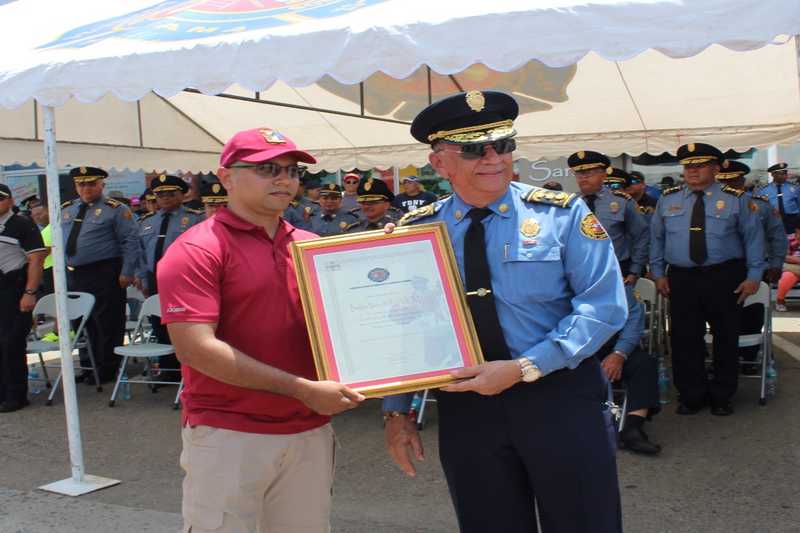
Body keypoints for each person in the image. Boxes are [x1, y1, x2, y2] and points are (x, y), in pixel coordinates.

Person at [382, 91, 627, 533]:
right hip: (467, 407)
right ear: (439, 163)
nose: (494, 158)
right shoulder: (416, 232)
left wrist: (525, 367)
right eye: (474, 150)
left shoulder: (562, 215)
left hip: (559, 395)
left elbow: (603, 307)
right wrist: (398, 411)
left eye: (503, 145)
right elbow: (403, 325)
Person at [158, 126, 364, 533]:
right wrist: (302, 389)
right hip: (230, 433)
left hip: (308, 429)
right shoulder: (197, 249)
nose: (284, 179)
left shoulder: (312, 246)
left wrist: (393, 261)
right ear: (226, 177)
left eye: (292, 170)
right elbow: (195, 349)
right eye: (267, 169)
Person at [650, 143, 765, 416]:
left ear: (715, 168)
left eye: (700, 165)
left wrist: (754, 276)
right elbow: (657, 238)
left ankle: (722, 395)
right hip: (682, 278)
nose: (692, 171)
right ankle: (691, 395)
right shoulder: (667, 199)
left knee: (725, 336)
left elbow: (753, 239)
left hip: (724, 276)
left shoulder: (736, 199)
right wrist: (657, 273)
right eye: (688, 166)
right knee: (684, 338)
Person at [61, 166, 140, 385]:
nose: (85, 188)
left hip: (104, 270)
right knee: (80, 322)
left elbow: (130, 241)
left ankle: (107, 368)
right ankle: (89, 366)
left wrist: (127, 271)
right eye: (81, 184)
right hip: (74, 273)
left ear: (101, 185)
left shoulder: (115, 209)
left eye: (91, 183)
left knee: (106, 322)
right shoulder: (67, 209)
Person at [716, 160, 788, 374]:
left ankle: (749, 356)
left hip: (756, 268)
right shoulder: (710, 204)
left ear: (742, 181)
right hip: (721, 269)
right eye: (723, 182)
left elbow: (777, 236)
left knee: (753, 314)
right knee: (721, 315)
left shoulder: (760, 205)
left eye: (733, 181)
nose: (728, 186)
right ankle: (724, 358)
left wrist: (776, 263)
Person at [136, 174, 203, 362]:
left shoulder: (195, 218)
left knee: (184, 323)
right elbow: (140, 252)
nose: (165, 198)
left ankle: (186, 366)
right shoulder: (146, 221)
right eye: (160, 195)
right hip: (154, 278)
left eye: (171, 194)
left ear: (182, 194)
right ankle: (168, 368)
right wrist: (142, 278)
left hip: (183, 279)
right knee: (158, 322)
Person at [596, 284, 662, 455]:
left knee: (645, 363)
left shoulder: (619, 287)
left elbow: (633, 322)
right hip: (578, 347)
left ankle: (633, 428)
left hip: (614, 345)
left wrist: (619, 354)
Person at [0, 184, 46, 412]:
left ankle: (16, 395)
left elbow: (37, 259)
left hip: (14, 288)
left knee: (11, 344)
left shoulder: (21, 224)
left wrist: (30, 292)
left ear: (10, 201)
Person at [569, 155, 649, 284]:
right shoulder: (570, 203)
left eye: (589, 173)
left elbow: (641, 235)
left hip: (616, 268)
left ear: (603, 175)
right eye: (578, 173)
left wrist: (634, 271)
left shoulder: (622, 201)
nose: (583, 177)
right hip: (580, 270)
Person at [759, 162, 800, 234]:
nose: (784, 176)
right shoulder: (764, 190)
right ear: (773, 174)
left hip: (792, 220)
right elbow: (762, 209)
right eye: (781, 174)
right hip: (773, 220)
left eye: (785, 173)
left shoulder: (794, 188)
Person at [28, 200, 53, 295]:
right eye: (34, 216)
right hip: (48, 269)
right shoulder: (45, 230)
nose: (37, 218)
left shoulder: (51, 229)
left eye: (39, 214)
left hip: (52, 270)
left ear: (48, 212)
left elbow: (42, 254)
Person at [775, 226, 800, 312]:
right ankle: (780, 300)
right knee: (787, 276)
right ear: (797, 231)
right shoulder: (787, 239)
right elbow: (783, 256)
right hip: (791, 267)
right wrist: (797, 260)